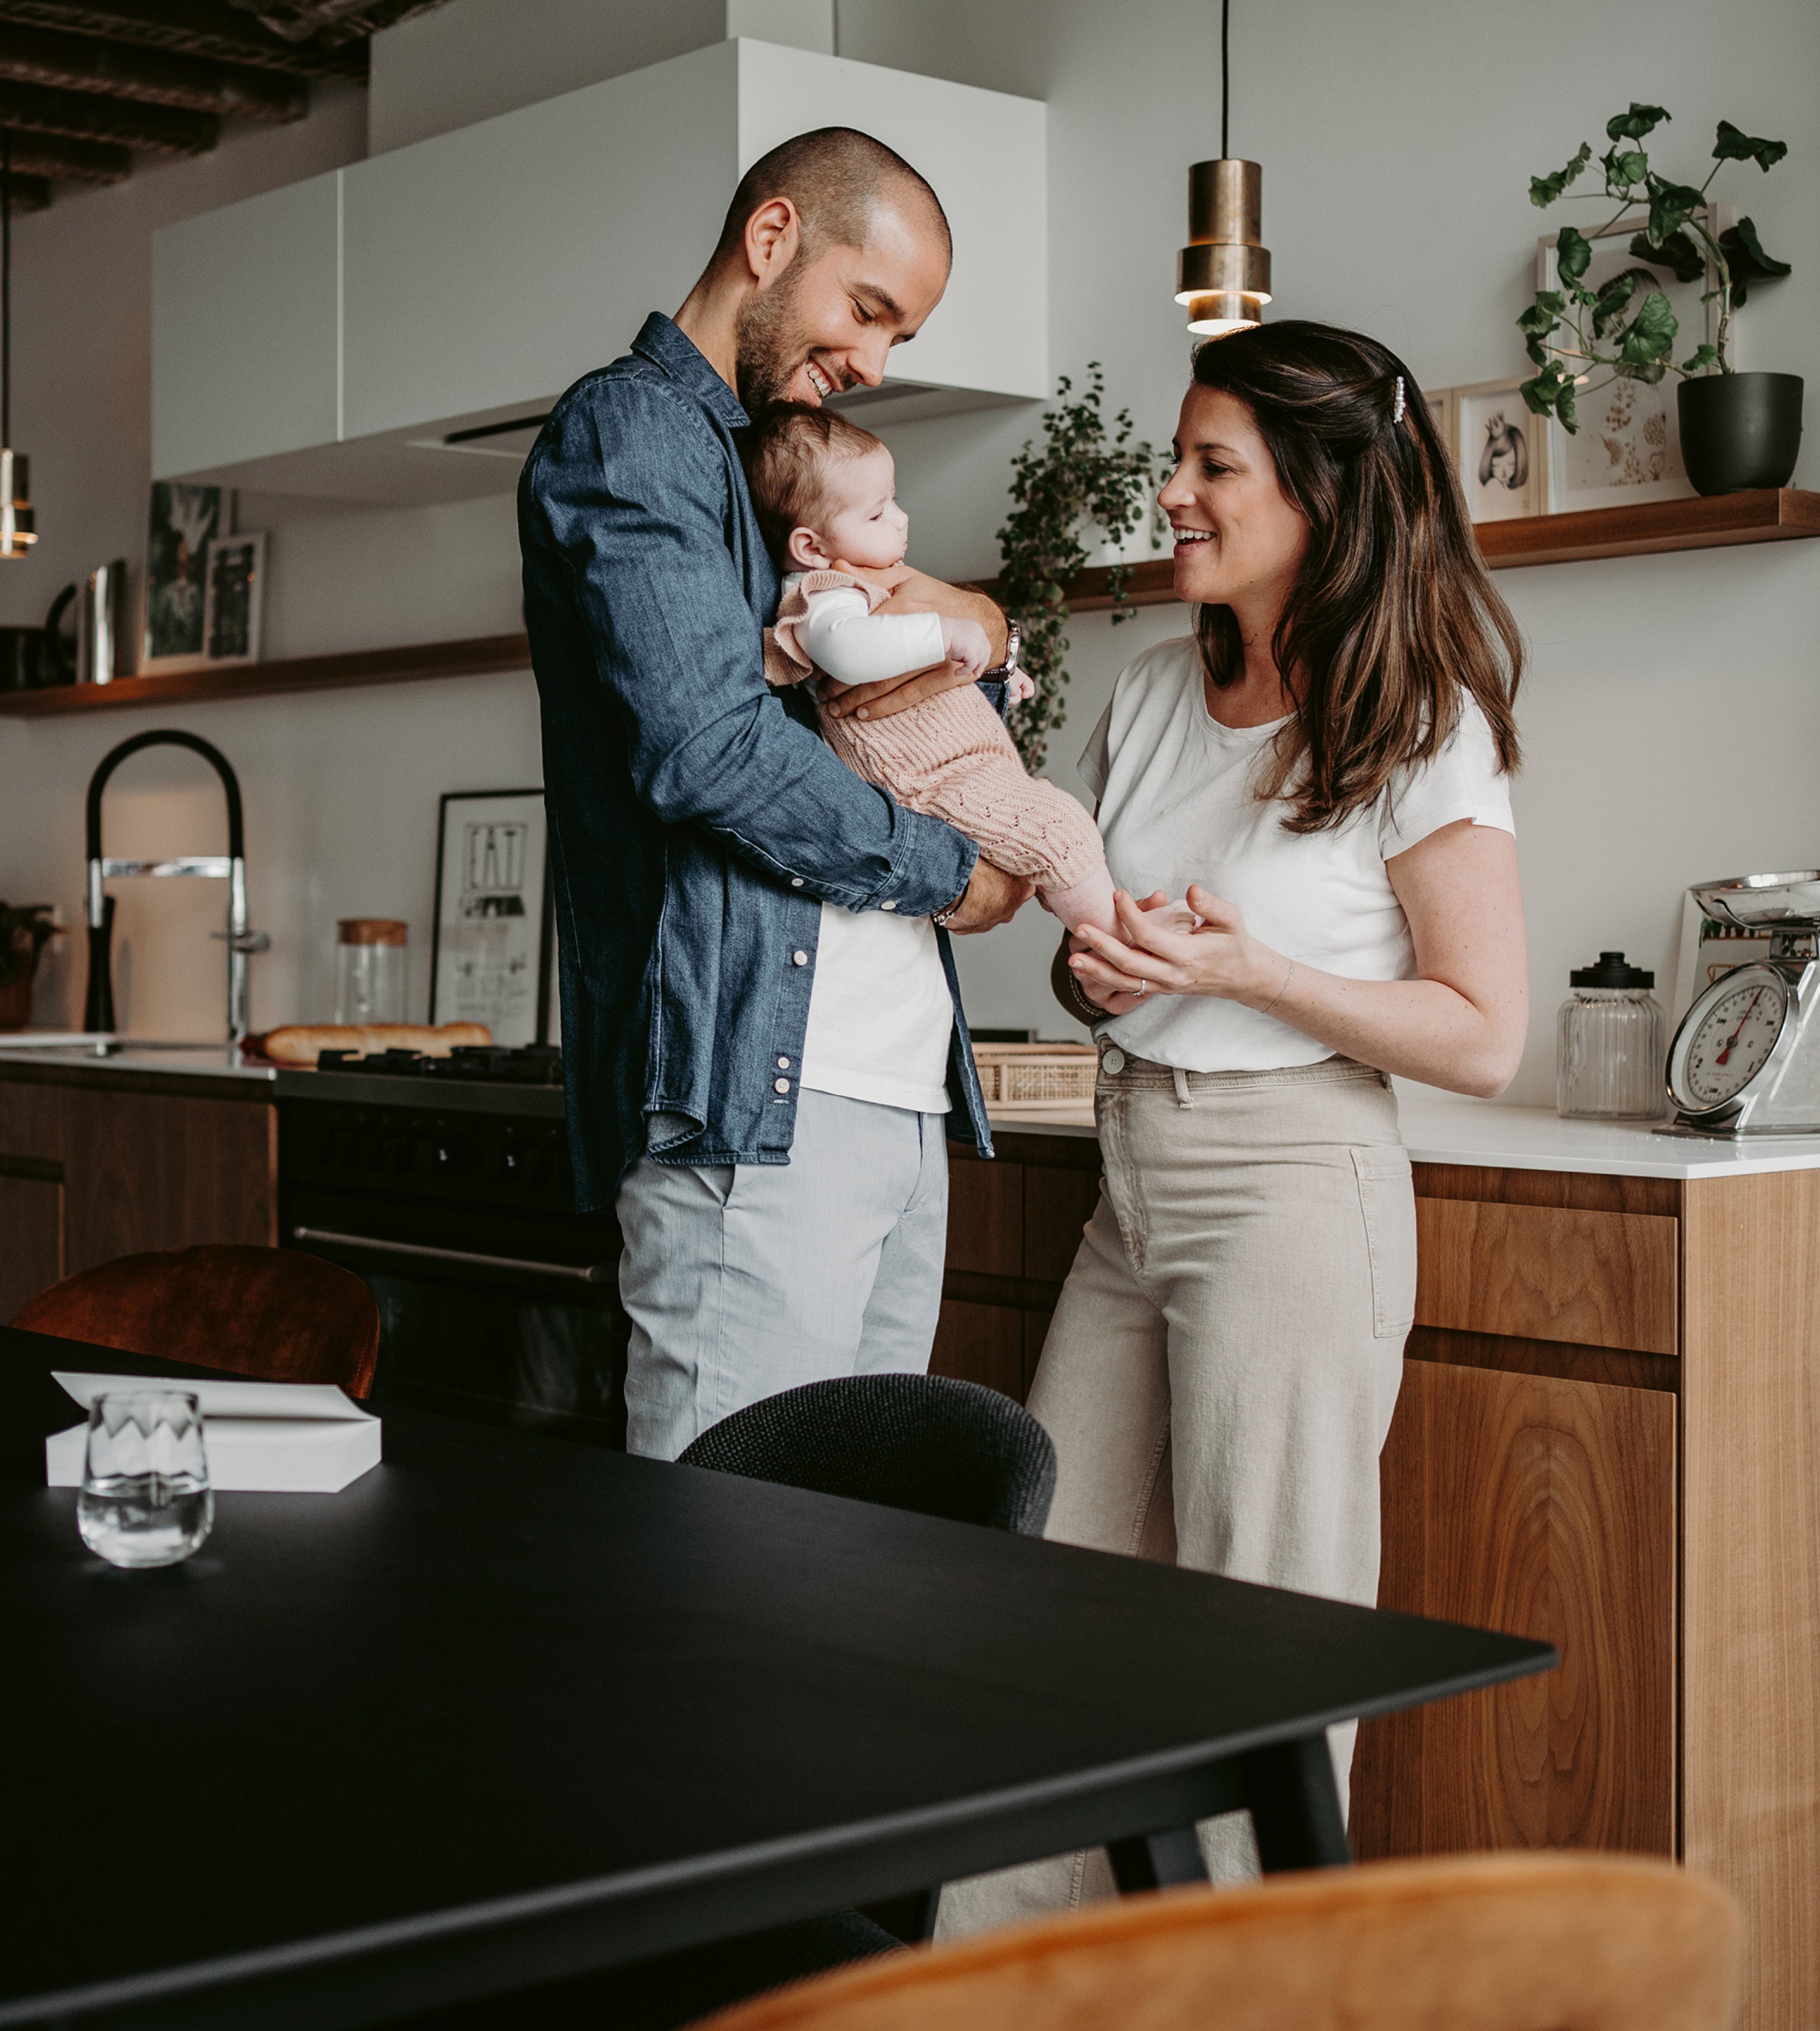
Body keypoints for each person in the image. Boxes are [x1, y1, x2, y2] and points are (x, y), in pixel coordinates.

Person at [938, 320, 1529, 1930]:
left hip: (1290, 1187)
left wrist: (1247, 969)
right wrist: (1101, 973)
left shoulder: (1420, 718)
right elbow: (1104, 959)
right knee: (1053, 1608)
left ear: (1322, 500)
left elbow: (1483, 1034)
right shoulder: (1151, 690)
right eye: (1177, 457)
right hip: (1132, 1180)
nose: (1173, 493)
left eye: (1213, 467)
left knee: (1259, 1642)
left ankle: (1252, 1988)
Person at [518, 127, 1034, 1463]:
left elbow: (903, 671)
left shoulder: (778, 469)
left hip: (887, 1085)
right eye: (866, 310)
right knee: (721, 1580)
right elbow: (706, 750)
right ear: (769, 241)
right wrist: (949, 869)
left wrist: (981, 616)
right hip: (753, 1092)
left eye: (896, 334)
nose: (874, 361)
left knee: (852, 1579)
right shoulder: (632, 432)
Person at [748, 402, 1118, 935]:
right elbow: (847, 650)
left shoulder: (876, 584)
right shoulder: (824, 595)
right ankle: (1118, 946)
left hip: (965, 764)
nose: (900, 519)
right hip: (927, 781)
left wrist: (992, 675)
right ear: (810, 546)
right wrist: (944, 633)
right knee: (1060, 830)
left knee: (1054, 834)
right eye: (876, 514)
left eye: (893, 501)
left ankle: (1117, 934)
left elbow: (930, 673)